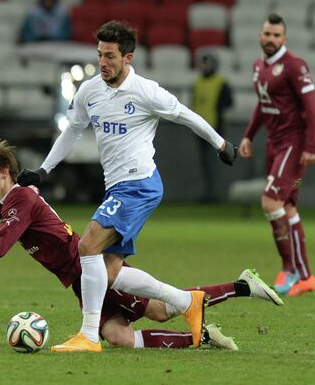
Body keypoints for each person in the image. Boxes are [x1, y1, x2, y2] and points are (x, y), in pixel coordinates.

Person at [0, 139, 282, 351]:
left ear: (5, 172)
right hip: (78, 282)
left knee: (162, 311)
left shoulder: (21, 199)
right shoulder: (8, 201)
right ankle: (199, 336)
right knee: (117, 335)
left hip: (95, 270)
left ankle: (242, 286)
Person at [17, 20, 237, 352]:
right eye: (100, 55)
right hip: (117, 188)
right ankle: (186, 302)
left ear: (128, 58)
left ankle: (89, 336)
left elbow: (186, 115)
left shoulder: (146, 91)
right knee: (109, 272)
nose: (103, 63)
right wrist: (45, 171)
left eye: (110, 56)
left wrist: (221, 145)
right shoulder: (90, 91)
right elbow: (73, 131)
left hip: (138, 184)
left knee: (87, 246)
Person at [238, 13, 315, 297]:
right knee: (289, 207)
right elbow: (262, 105)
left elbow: (311, 106)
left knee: (271, 200)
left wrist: (312, 146)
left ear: (285, 39)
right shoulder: (259, 66)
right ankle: (306, 276)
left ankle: (288, 267)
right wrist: (249, 135)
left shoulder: (294, 66)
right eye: (267, 34)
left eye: (276, 35)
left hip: (293, 145)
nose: (270, 39)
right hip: (275, 144)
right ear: (260, 36)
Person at [192, 50, 234, 203]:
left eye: (207, 62)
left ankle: (213, 193)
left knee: (212, 162)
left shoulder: (221, 82)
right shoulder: (197, 83)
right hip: (200, 129)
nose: (204, 66)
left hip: (215, 128)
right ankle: (207, 192)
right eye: (203, 63)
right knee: (204, 162)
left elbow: (229, 102)